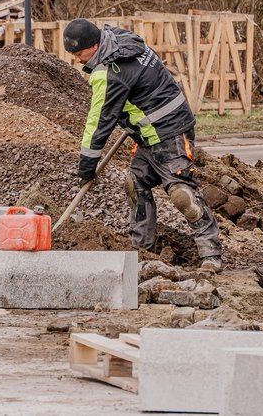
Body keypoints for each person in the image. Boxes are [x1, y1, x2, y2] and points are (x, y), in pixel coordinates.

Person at [64, 18, 223, 272]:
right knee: (135, 184)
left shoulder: (109, 72)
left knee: (182, 195)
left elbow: (98, 123)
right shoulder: (122, 41)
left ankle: (211, 254)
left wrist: (87, 166)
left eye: (79, 53)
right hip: (146, 134)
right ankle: (140, 250)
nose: (78, 59)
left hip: (171, 132)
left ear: (94, 46)